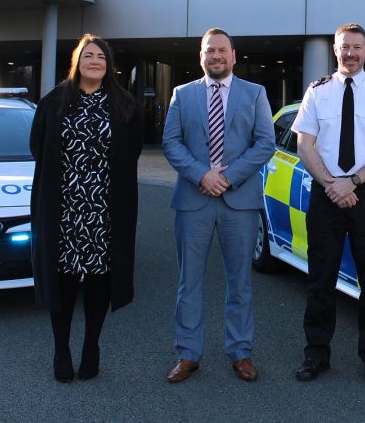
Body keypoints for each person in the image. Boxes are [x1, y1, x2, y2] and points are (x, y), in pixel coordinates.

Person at [291, 23, 365, 383]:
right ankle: (316, 354)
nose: (350, 53)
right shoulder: (317, 91)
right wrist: (332, 184)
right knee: (320, 279)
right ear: (335, 50)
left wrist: (352, 181)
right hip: (326, 192)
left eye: (357, 47)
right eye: (344, 47)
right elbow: (304, 144)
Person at [161, 28, 275, 383]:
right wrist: (201, 175)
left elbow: (265, 143)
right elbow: (171, 141)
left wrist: (227, 177)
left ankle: (240, 352)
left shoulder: (255, 93)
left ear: (233, 55)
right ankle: (188, 354)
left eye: (222, 50)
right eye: (210, 51)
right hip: (193, 200)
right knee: (188, 282)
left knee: (239, 282)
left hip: (238, 202)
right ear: (201, 56)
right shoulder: (183, 94)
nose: (216, 56)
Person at [30, 34, 143, 382]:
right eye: (88, 55)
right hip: (63, 209)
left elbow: (133, 151)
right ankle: (61, 349)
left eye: (101, 57)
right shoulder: (54, 102)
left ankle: (91, 345)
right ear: (77, 60)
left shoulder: (124, 104)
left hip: (105, 211)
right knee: (62, 282)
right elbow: (38, 147)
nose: (94, 61)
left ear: (108, 65)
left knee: (98, 282)